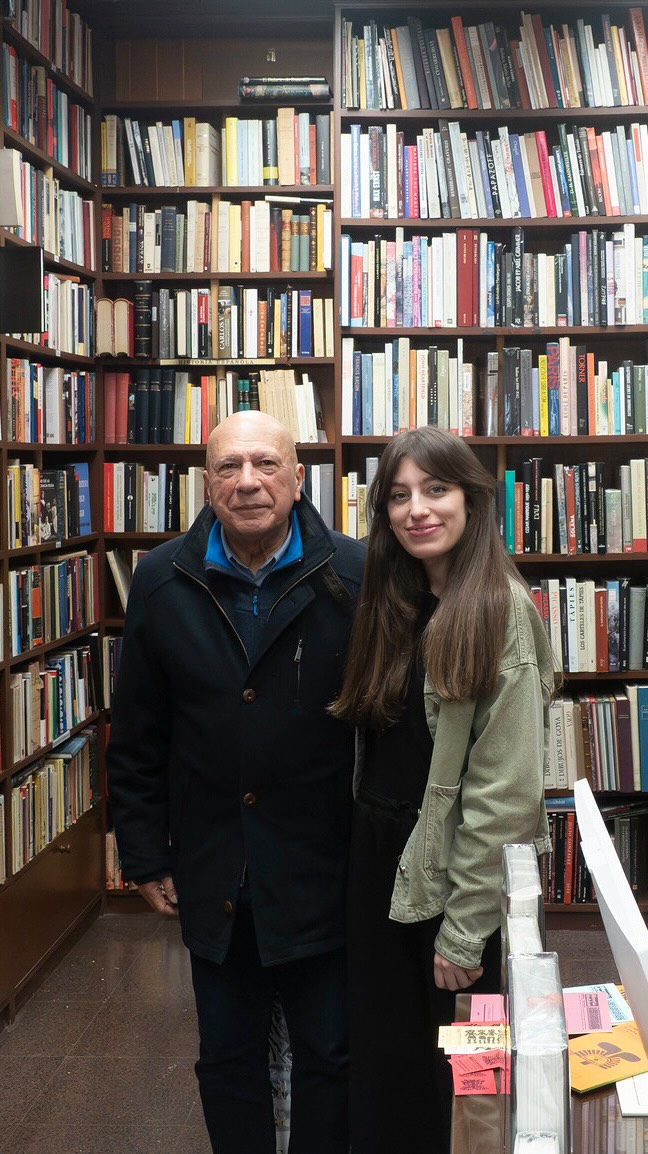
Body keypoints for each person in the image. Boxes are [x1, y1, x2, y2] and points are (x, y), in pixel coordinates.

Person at [106, 410, 365, 1154]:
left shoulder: (356, 573)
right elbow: (139, 732)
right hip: (215, 867)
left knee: (330, 1056)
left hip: (324, 866)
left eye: (265, 464)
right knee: (226, 1058)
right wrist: (145, 853)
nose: (248, 481)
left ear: (296, 477)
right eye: (228, 467)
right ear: (207, 482)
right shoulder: (161, 579)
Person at [330, 427, 556, 1154]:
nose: (416, 510)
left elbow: (505, 795)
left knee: (463, 1076)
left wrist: (465, 929)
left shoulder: (499, 610)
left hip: (456, 881)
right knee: (387, 1068)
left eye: (436, 490)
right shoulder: (390, 600)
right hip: (381, 865)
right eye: (399, 496)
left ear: (472, 499)